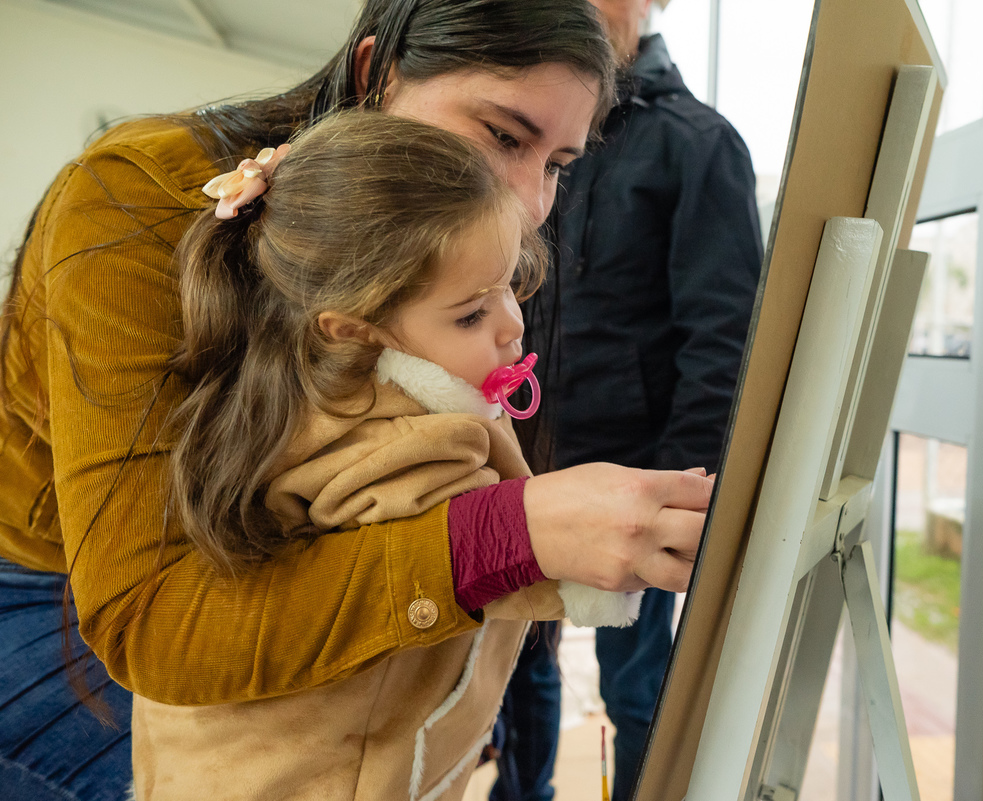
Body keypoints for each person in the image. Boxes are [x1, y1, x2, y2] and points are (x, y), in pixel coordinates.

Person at [0, 2, 713, 799]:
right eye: (504, 137)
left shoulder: (468, 237)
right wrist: (501, 537)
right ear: (378, 73)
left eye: (557, 164)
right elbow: (155, 615)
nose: (527, 202)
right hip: (54, 589)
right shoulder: (133, 201)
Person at [129, 111, 643, 801]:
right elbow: (490, 547)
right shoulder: (401, 435)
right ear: (356, 332)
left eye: (510, 286)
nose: (513, 323)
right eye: (470, 313)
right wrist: (620, 546)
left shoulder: (294, 392)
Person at [496, 2, 763, 800]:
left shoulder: (698, 144)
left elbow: (723, 340)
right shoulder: (535, 129)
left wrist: (679, 491)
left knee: (637, 692)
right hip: (516, 462)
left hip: (634, 479)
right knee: (512, 670)